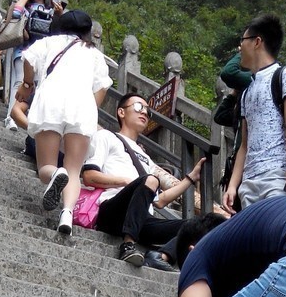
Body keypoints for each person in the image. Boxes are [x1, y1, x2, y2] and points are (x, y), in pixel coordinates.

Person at [80, 95, 205, 267]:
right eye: (139, 107)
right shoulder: (106, 137)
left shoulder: (146, 157)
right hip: (112, 211)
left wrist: (191, 178)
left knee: (200, 225)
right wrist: (126, 182)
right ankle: (128, 246)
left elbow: (159, 201)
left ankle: (161, 256)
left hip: (142, 220)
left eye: (148, 111)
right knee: (150, 180)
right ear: (121, 112)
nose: (145, 112)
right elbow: (89, 176)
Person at [19, 8, 112, 235]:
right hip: (82, 105)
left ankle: (54, 175)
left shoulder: (50, 42)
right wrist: (88, 110)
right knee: (74, 169)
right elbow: (102, 87)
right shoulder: (95, 54)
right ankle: (67, 213)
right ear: (88, 31)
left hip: (51, 100)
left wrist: (27, 84)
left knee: (46, 166)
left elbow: (28, 58)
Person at [222, 13, 286, 212]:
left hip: (277, 177)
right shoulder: (246, 91)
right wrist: (233, 186)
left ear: (257, 42)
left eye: (243, 40)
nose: (240, 47)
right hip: (248, 184)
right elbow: (244, 145)